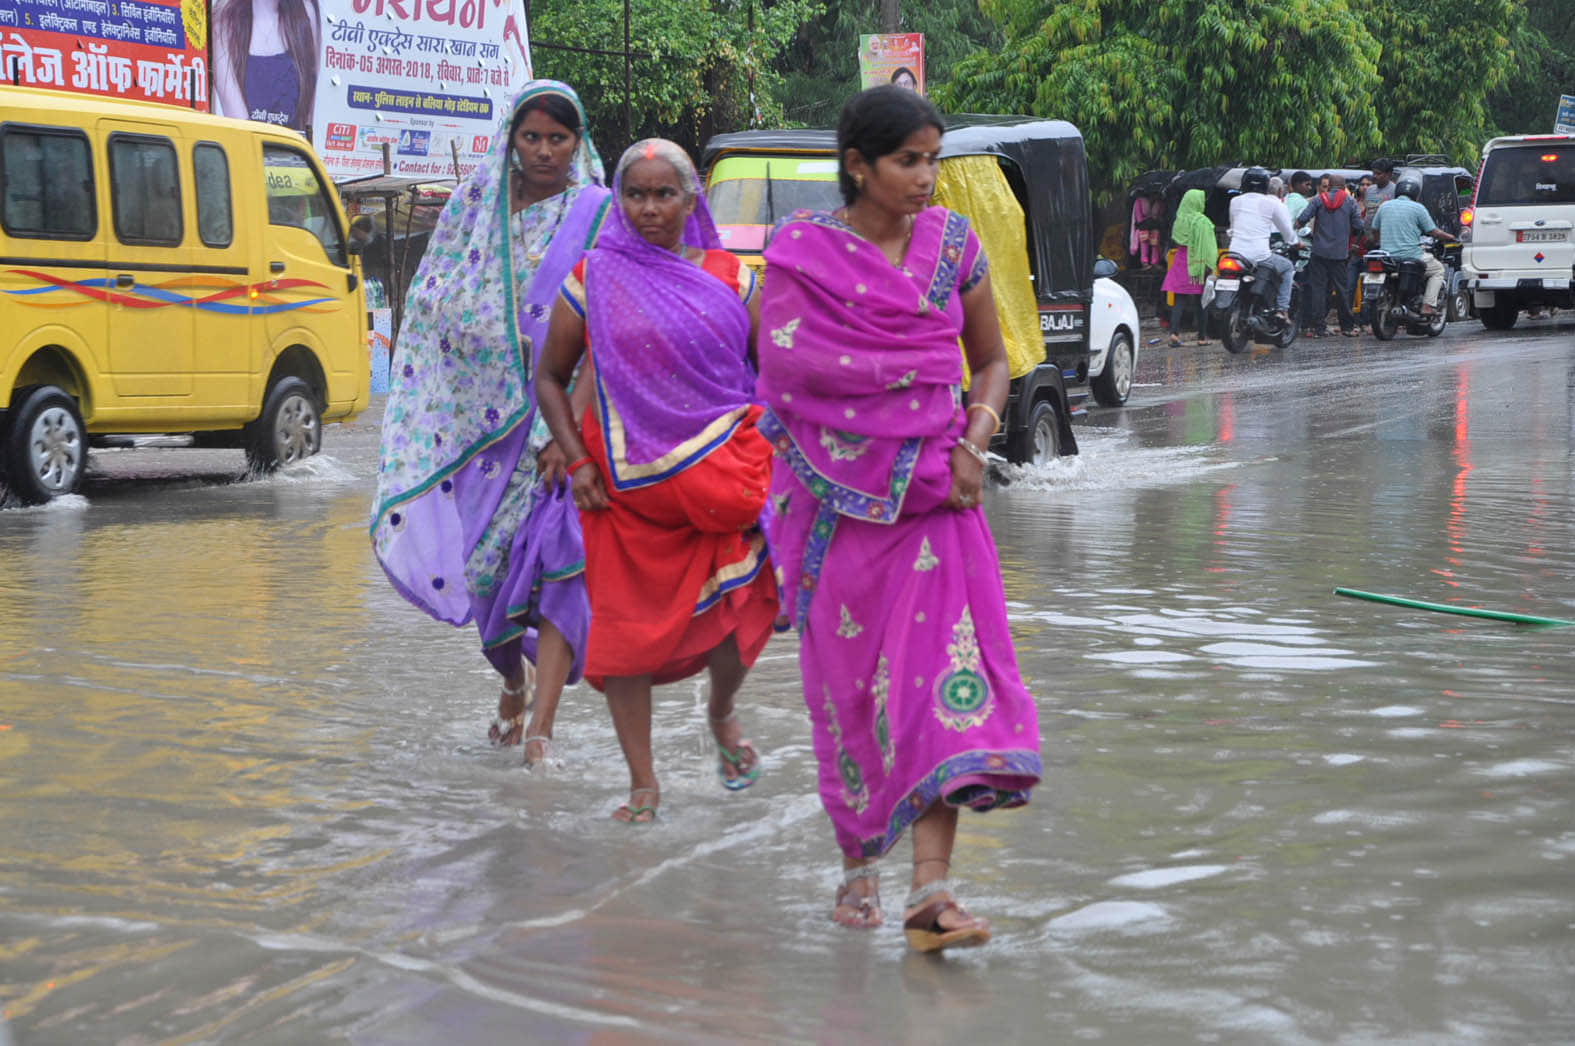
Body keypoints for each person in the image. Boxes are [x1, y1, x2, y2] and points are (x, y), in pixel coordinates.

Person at [757, 86, 1042, 954]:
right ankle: (857, 869)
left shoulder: (954, 245)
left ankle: (931, 892)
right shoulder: (800, 256)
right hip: (839, 510)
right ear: (857, 166)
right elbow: (784, 376)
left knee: (937, 686)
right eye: (908, 161)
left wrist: (975, 440)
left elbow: (990, 362)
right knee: (850, 701)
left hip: (938, 499)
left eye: (931, 158)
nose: (926, 177)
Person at [534, 139, 777, 822]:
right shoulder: (594, 277)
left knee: (742, 607)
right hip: (621, 492)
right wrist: (575, 461)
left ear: (690, 198)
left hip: (725, 482)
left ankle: (722, 712)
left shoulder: (734, 277)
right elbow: (550, 377)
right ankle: (643, 783)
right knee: (626, 637)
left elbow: (773, 378)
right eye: (634, 195)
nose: (648, 209)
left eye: (663, 194)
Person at [370, 81, 611, 767]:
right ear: (510, 139)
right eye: (530, 137)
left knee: (554, 567)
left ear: (578, 142)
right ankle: (513, 680)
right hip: (482, 431)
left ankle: (542, 726)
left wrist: (573, 432)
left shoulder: (594, 213)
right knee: (485, 578)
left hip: (561, 425)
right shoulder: (476, 211)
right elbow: (432, 302)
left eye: (557, 139)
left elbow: (606, 326)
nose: (542, 151)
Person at [212, 0, 319, 132]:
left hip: (292, 149)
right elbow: (239, 125)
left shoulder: (305, 14)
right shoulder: (225, 17)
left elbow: (307, 123)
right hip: (247, 146)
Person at [1369, 175, 1454, 315]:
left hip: (1387, 257)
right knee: (1438, 270)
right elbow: (1433, 231)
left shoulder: (1384, 206)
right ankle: (1427, 306)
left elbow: (1374, 230)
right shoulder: (1418, 208)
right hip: (1410, 256)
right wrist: (1450, 237)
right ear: (1416, 195)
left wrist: (1380, 243)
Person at [1297, 172, 1364, 337]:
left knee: (1318, 289)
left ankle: (1318, 327)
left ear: (1330, 185)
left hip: (1319, 252)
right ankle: (1347, 327)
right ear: (1343, 186)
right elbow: (1359, 226)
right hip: (1340, 254)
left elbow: (1302, 219)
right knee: (1342, 290)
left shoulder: (1319, 199)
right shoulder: (1350, 201)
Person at [1227, 166, 1297, 323]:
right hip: (1260, 256)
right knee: (1287, 267)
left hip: (1235, 255)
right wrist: (1294, 242)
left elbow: (1232, 228)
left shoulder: (1235, 201)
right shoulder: (1271, 203)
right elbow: (1287, 232)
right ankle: (1282, 310)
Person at [1162, 188, 1217, 345]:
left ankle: (1174, 334)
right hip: (1198, 264)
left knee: (1179, 299)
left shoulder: (1179, 220)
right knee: (1202, 302)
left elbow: (1177, 240)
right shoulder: (1203, 222)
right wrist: (1210, 266)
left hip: (1181, 261)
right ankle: (1201, 337)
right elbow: (1209, 246)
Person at [1130, 191, 1164, 269]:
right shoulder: (1140, 201)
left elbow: (1160, 214)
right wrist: (1143, 222)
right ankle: (1144, 263)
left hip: (1154, 225)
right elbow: (1138, 216)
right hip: (1144, 225)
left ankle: (1154, 262)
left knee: (1154, 244)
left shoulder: (1159, 202)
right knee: (1144, 243)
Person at [1284, 171, 1315, 249]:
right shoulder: (1303, 203)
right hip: (1297, 244)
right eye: (1307, 184)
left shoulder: (1284, 199)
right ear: (1297, 185)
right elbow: (1301, 226)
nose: (1310, 188)